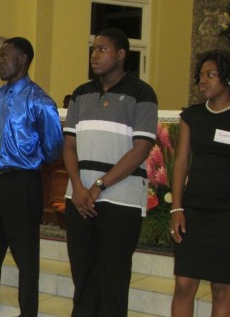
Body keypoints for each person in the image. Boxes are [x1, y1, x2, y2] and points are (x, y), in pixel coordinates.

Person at [63, 28, 158, 317]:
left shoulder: (141, 93)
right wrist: (79, 187)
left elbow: (140, 150)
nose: (95, 54)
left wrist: (100, 185)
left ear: (120, 54)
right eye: (93, 49)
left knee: (113, 276)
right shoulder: (81, 93)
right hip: (79, 197)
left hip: (121, 198)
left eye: (102, 49)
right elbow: (69, 146)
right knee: (83, 274)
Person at [0, 37, 63, 317]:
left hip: (22, 182)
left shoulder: (40, 101)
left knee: (25, 254)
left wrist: (25, 162)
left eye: (4, 57)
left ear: (22, 60)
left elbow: (53, 147)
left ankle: (28, 313)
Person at [170, 50, 230, 317]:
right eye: (200, 76)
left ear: (228, 78)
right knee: (184, 284)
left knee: (222, 287)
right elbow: (180, 164)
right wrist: (177, 208)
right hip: (194, 211)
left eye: (210, 75)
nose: (203, 81)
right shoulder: (192, 116)